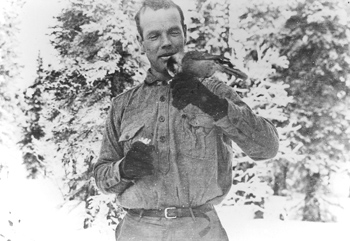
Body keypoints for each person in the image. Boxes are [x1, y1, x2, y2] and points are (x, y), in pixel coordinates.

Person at [93, 0, 279, 240]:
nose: (166, 42)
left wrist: (215, 106)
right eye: (154, 35)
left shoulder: (214, 91)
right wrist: (123, 169)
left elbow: (267, 148)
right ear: (142, 43)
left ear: (184, 34)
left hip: (199, 230)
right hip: (138, 231)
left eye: (173, 32)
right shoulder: (123, 105)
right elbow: (101, 176)